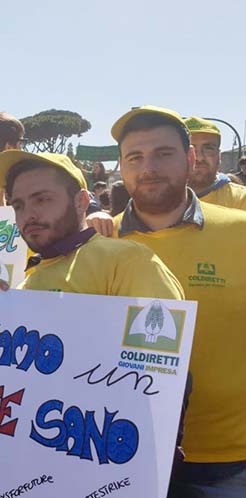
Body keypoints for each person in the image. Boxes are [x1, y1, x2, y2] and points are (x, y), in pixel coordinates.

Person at [111, 105, 246, 497]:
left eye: (163, 153)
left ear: (189, 158)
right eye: (135, 157)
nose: (148, 168)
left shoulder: (240, 230)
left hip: (228, 460)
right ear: (121, 167)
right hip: (118, 456)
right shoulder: (98, 243)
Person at [0, 150, 183, 299]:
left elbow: (161, 338)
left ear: (81, 202)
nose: (28, 215)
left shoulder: (129, 262)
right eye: (18, 206)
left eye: (42, 200)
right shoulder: (26, 281)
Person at [183, 117, 246, 210]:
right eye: (190, 149)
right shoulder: (160, 199)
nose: (199, 157)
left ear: (219, 156)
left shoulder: (242, 200)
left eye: (208, 148)